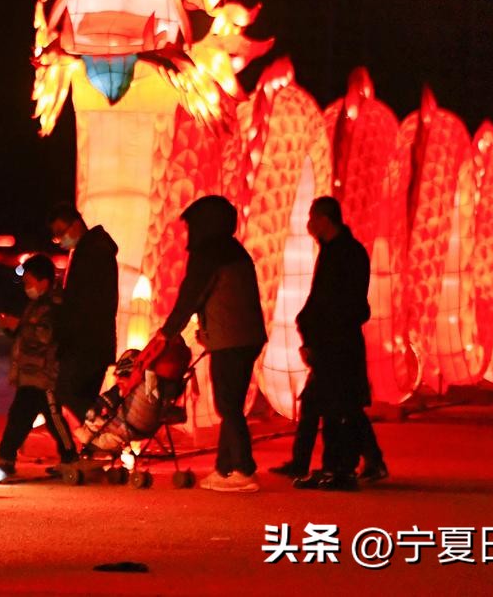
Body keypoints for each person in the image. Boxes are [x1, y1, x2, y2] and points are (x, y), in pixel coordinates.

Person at [159, 195, 266, 493]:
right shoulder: (234, 250)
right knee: (231, 403)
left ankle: (244, 469)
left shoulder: (209, 252)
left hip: (230, 340)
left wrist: (167, 332)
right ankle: (224, 467)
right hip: (247, 337)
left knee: (228, 404)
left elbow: (191, 295)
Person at [284, 196, 389, 491]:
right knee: (332, 404)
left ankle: (340, 469)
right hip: (330, 341)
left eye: (312, 218)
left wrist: (315, 336)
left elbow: (337, 303)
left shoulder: (346, 254)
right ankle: (334, 466)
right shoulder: (333, 251)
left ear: (325, 219)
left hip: (337, 344)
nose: (308, 225)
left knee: (338, 408)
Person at [0, 254, 77, 473]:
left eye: (29, 281)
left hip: (44, 374)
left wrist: (19, 325)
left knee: (53, 418)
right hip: (30, 373)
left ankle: (70, 458)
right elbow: (27, 336)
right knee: (19, 415)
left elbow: (45, 336)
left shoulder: (54, 306)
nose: (26, 286)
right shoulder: (36, 304)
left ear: (43, 282)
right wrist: (11, 327)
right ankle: (6, 457)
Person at [49, 202, 119, 418]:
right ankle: (96, 441)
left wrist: (64, 308)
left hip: (86, 342)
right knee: (82, 396)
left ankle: (101, 426)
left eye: (62, 233)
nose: (60, 240)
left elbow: (86, 301)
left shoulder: (92, 252)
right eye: (56, 236)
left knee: (66, 391)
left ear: (76, 224)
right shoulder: (91, 250)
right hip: (94, 341)